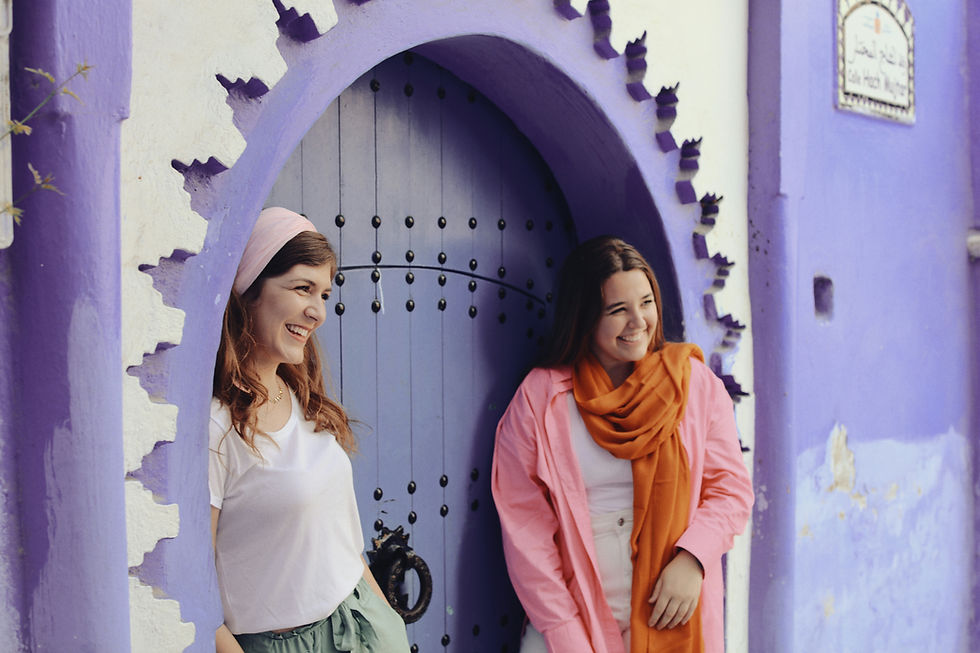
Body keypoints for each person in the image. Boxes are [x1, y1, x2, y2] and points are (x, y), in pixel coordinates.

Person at [491, 235, 754, 653]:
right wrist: (565, 633)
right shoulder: (541, 398)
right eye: (618, 310)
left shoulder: (693, 385)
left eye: (646, 303)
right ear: (584, 317)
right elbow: (526, 528)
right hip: (577, 614)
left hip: (671, 608)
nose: (639, 322)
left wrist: (694, 559)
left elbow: (730, 490)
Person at [209, 207, 411, 653]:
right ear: (250, 288)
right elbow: (194, 586)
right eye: (303, 288)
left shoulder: (302, 398)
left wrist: (389, 627)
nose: (317, 311)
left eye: (323, 293)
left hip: (363, 621)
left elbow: (344, 545)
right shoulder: (218, 427)